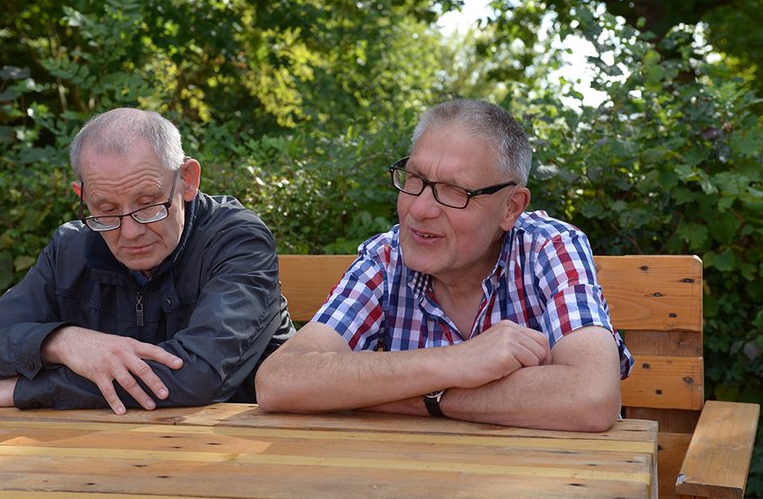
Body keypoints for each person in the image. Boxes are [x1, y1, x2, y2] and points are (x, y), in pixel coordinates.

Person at [255, 99, 633, 432]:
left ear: (511, 207)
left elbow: (592, 397)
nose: (419, 209)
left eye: (455, 191)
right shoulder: (387, 258)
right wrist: (457, 362)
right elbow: (279, 380)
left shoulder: (548, 248)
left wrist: (418, 398)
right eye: (416, 179)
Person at [0, 108, 294, 415]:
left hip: (238, 453)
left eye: (147, 204)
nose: (129, 232)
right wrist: (61, 342)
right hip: (100, 453)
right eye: (106, 210)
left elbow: (198, 375)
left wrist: (26, 389)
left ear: (187, 180)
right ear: (83, 196)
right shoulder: (69, 250)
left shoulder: (238, 240)